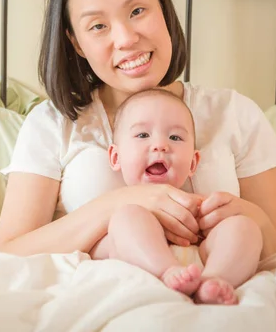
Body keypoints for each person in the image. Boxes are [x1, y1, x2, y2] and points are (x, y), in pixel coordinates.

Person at [0, 0, 276, 304]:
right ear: (75, 42)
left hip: (227, 301)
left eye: (137, 11)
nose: (126, 38)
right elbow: (7, 254)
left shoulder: (235, 113)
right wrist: (118, 205)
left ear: (163, 11)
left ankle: (209, 285)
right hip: (106, 301)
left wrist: (247, 215)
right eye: (98, 26)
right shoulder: (53, 123)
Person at [90, 87, 263, 304]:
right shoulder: (118, 213)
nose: (160, 145)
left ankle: (214, 282)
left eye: (175, 137)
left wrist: (216, 221)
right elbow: (96, 251)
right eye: (143, 135)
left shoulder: (195, 207)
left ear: (193, 162)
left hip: (203, 266)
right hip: (150, 269)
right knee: (128, 217)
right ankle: (167, 272)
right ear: (116, 157)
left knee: (244, 226)